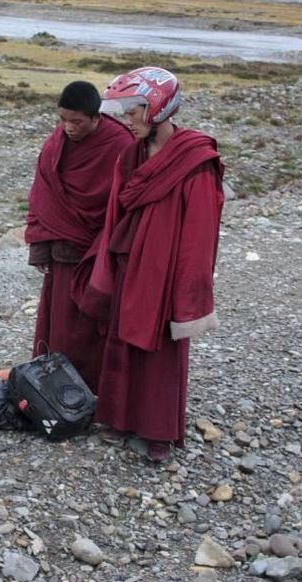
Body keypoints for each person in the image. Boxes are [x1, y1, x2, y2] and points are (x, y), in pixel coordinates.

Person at [82, 67, 224, 462]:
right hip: (130, 262)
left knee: (160, 348)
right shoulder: (130, 154)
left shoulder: (195, 159)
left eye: (134, 112)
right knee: (121, 338)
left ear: (159, 107)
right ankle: (119, 417)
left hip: (166, 271)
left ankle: (159, 430)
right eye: (125, 112)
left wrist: (189, 288)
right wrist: (107, 263)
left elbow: (200, 231)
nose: (127, 121)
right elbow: (115, 212)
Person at [25, 80, 134, 393]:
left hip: (97, 254)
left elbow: (125, 206)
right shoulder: (56, 143)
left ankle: (93, 392)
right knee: (58, 327)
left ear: (96, 117)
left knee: (91, 329)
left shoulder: (120, 144)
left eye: (77, 122)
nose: (67, 127)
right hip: (60, 253)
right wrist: (39, 249)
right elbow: (42, 194)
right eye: (62, 119)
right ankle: (52, 391)